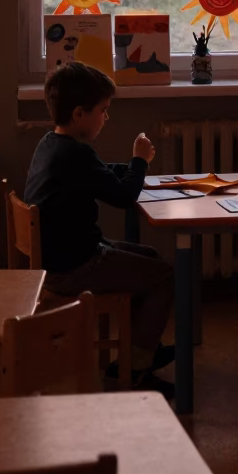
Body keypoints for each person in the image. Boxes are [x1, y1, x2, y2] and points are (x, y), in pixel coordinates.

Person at [25, 62, 174, 398]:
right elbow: (123, 196)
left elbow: (100, 174)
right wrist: (139, 161)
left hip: (58, 259)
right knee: (163, 275)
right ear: (80, 114)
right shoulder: (77, 154)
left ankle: (140, 349)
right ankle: (136, 366)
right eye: (103, 110)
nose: (106, 117)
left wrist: (130, 168)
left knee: (150, 257)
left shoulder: (51, 144)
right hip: (75, 267)